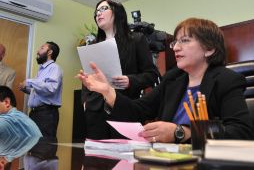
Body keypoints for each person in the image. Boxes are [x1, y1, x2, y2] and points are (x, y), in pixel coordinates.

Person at [78, 17, 254, 143]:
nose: (176, 48)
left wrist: (181, 132)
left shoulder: (227, 79)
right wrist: (107, 91)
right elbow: (139, 110)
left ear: (209, 49)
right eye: (175, 42)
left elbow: (241, 132)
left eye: (184, 41)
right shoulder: (173, 78)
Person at [81, 0, 161, 139]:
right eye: (96, 11)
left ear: (117, 13)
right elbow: (88, 79)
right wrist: (85, 102)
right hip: (95, 112)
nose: (98, 14)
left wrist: (130, 80)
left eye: (103, 9)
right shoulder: (93, 44)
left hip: (124, 107)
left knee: (124, 156)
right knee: (97, 158)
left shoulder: (136, 39)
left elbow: (152, 74)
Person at [19, 41, 63, 138]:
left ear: (49, 52)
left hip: (46, 114)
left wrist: (30, 81)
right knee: (34, 146)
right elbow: (41, 92)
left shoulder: (54, 68)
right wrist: (26, 89)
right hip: (36, 113)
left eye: (42, 48)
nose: (37, 51)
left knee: (44, 147)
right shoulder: (42, 70)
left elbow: (51, 88)